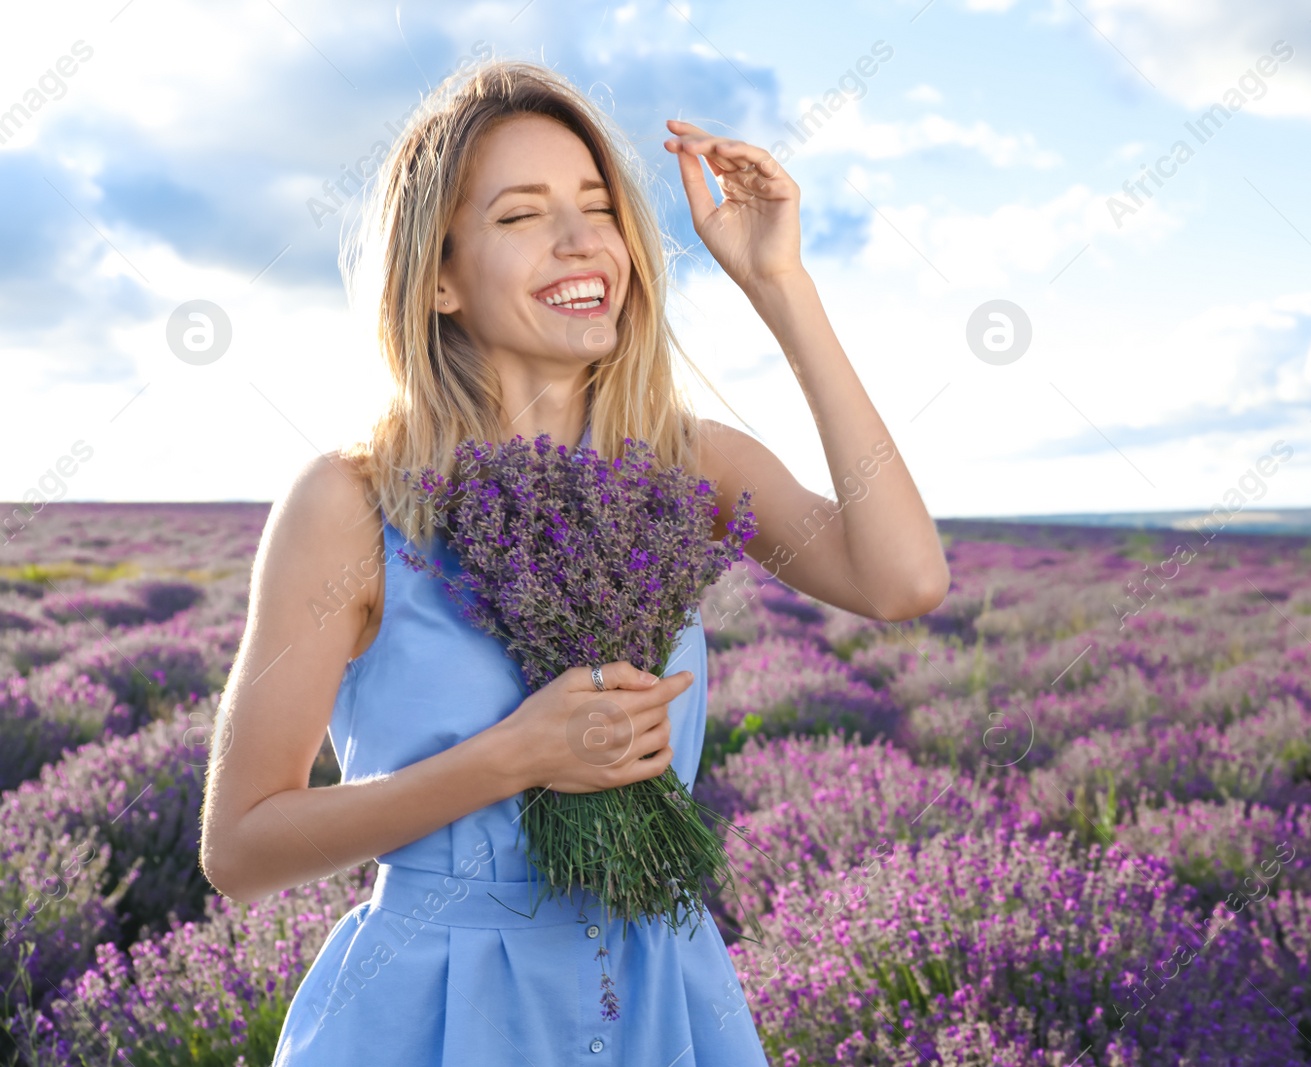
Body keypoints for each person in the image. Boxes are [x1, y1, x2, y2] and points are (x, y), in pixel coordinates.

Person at [198, 58, 949, 1065]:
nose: (579, 238)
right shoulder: (353, 499)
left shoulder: (691, 464)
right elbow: (240, 847)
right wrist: (514, 755)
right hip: (432, 1006)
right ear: (438, 276)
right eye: (521, 215)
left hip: (662, 994)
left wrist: (781, 284)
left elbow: (901, 580)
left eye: (597, 206)